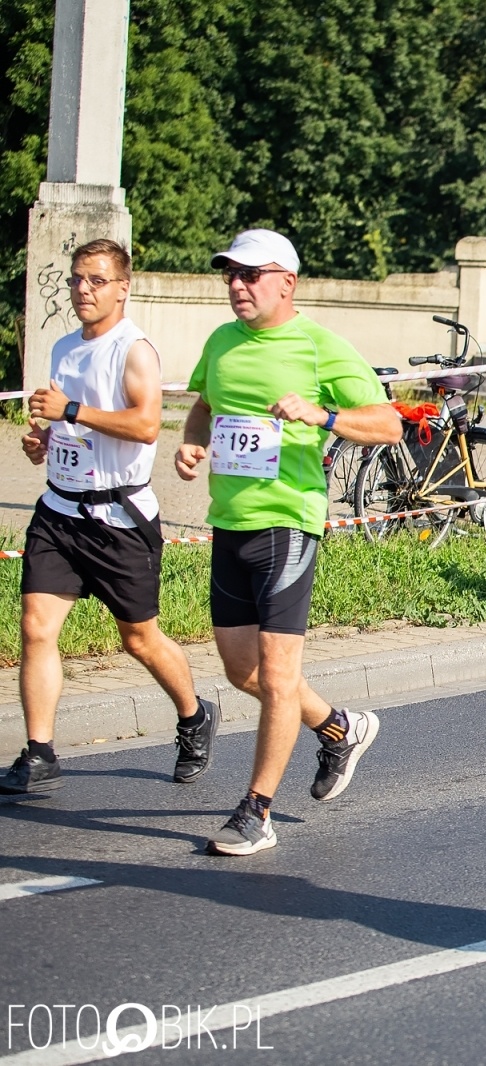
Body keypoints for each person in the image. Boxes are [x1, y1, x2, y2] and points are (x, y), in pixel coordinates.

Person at [176, 229, 400, 855]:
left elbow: (387, 424)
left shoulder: (321, 346)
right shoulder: (221, 342)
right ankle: (339, 728)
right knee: (241, 670)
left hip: (289, 522)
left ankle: (257, 811)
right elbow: (205, 406)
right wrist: (192, 444)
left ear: (287, 283)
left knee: (278, 674)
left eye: (250, 275)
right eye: (230, 275)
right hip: (230, 523)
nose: (237, 285)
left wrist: (322, 415)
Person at [1, 240, 218, 796]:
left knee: (139, 639)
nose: (83, 289)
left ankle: (194, 716)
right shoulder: (63, 348)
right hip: (59, 510)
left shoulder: (133, 350)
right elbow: (65, 425)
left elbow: (146, 426)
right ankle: (40, 753)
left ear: (123, 287)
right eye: (76, 279)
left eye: (96, 280)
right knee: (36, 628)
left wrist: (71, 411)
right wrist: (44, 441)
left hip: (118, 517)